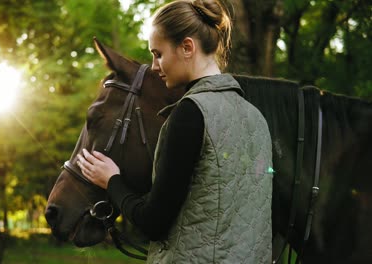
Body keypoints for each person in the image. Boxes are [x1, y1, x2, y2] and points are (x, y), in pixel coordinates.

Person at [77, 0, 273, 263]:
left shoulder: (191, 113)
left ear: (187, 47)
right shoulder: (256, 116)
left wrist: (111, 180)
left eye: (158, 54)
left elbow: (153, 222)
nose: (154, 66)